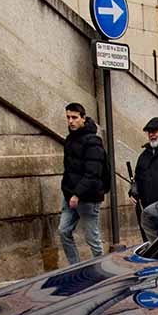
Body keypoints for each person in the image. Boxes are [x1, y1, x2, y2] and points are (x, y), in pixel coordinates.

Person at [59, 102, 107, 265]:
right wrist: (68, 192)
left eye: (74, 117)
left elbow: (93, 172)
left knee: (92, 238)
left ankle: (101, 266)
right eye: (68, 118)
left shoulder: (93, 141)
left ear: (83, 118)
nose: (71, 121)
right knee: (64, 231)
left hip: (88, 197)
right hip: (70, 195)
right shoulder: (70, 139)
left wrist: (77, 194)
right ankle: (75, 266)